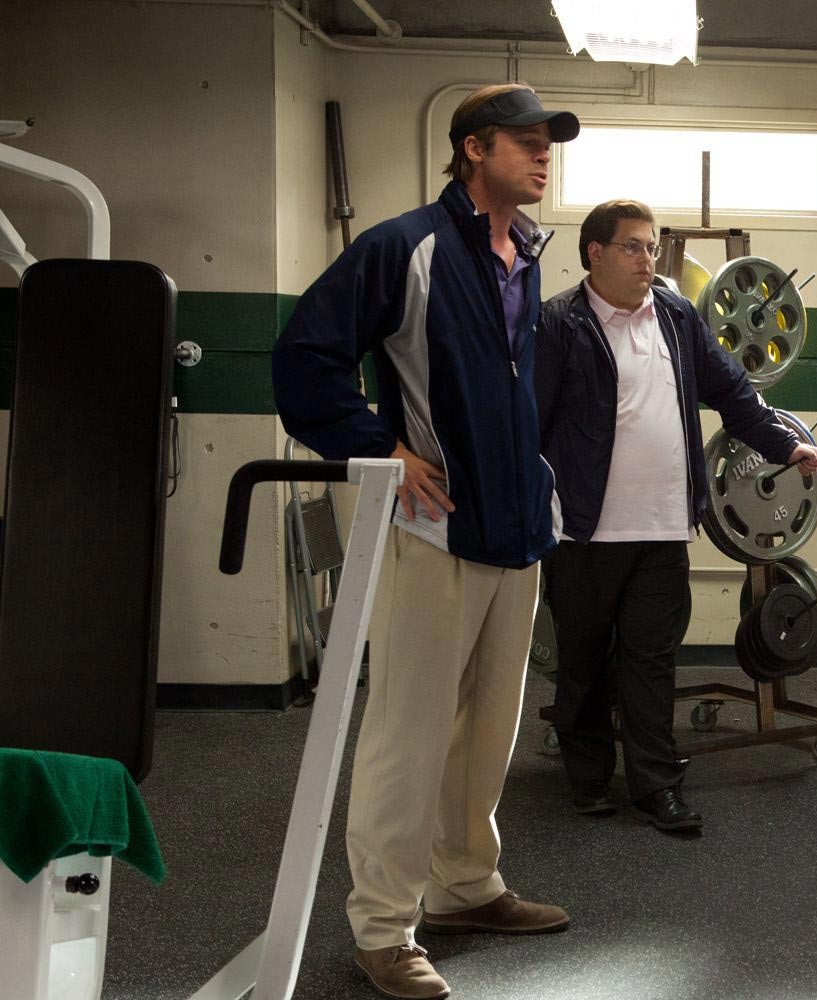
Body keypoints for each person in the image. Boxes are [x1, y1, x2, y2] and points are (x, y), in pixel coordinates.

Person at [273, 83, 578, 1000]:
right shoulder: (403, 247)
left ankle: (464, 884)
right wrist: (378, 447)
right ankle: (382, 927)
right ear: (474, 148)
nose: (543, 155)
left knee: (489, 731)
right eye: (527, 141)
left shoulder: (523, 255)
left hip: (516, 526)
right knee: (407, 736)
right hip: (435, 527)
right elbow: (304, 361)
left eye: (547, 142)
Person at [534, 199, 817, 833]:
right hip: (584, 530)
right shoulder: (558, 323)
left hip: (663, 528)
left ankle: (656, 787)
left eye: (651, 244)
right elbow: (531, 421)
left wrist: (783, 444)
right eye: (633, 246)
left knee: (652, 661)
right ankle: (587, 780)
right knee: (582, 660)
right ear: (596, 254)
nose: (648, 257)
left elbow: (733, 394)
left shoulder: (676, 313)